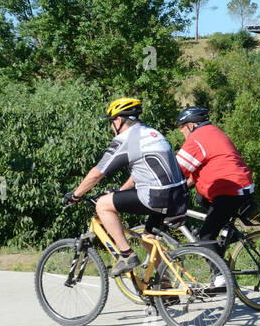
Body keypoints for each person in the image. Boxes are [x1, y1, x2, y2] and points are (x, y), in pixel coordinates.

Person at [65, 97, 188, 277]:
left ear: (119, 120)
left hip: (157, 197)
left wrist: (76, 194)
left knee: (102, 205)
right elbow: (141, 171)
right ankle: (166, 283)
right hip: (179, 196)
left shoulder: (126, 139)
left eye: (110, 122)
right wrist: (121, 191)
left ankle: (126, 254)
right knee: (148, 238)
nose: (110, 127)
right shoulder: (153, 133)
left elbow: (98, 173)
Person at [175, 106, 255, 248]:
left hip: (228, 190)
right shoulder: (215, 132)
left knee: (205, 237)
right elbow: (195, 175)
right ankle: (229, 232)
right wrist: (182, 188)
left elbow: (176, 170)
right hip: (243, 186)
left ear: (190, 125)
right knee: (201, 197)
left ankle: (220, 270)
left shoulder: (196, 138)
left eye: (182, 127)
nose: (181, 131)